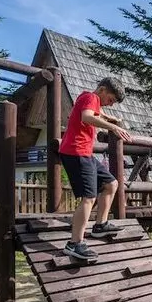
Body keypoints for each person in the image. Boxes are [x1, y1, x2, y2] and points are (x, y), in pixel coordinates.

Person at [59, 77, 132, 260]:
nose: (110, 104)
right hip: (75, 152)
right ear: (101, 90)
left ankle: (100, 225)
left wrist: (110, 118)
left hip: (85, 153)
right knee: (89, 198)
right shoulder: (91, 97)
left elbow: (95, 113)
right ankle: (74, 243)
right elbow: (87, 117)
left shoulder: (91, 101)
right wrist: (112, 128)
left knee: (111, 184)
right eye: (111, 100)